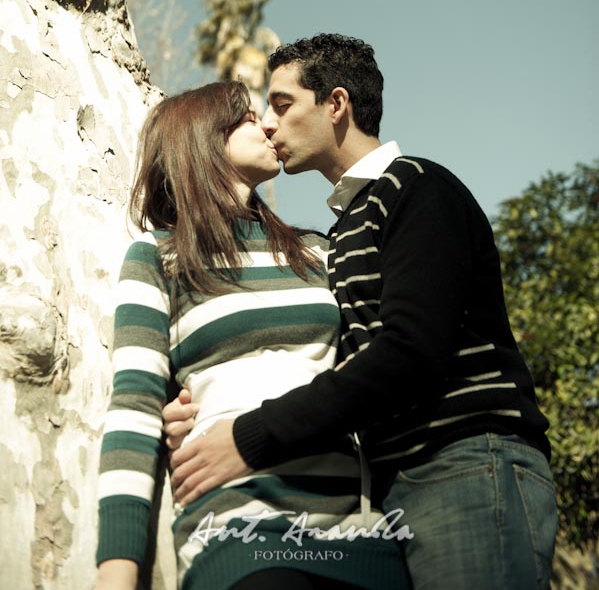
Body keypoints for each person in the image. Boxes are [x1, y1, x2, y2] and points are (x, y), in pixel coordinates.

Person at [164, 35, 558, 590]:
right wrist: (192, 406)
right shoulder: (341, 232)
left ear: (336, 104)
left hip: (467, 465)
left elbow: (408, 353)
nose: (270, 125)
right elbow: (326, 361)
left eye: (282, 105)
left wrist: (251, 435)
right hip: (391, 490)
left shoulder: (417, 188)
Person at [94, 81, 407, 590]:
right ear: (201, 138)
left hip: (361, 534)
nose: (267, 124)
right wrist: (117, 575)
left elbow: (374, 369)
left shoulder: (317, 252)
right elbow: (133, 411)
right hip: (239, 534)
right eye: (245, 117)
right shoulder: (158, 257)